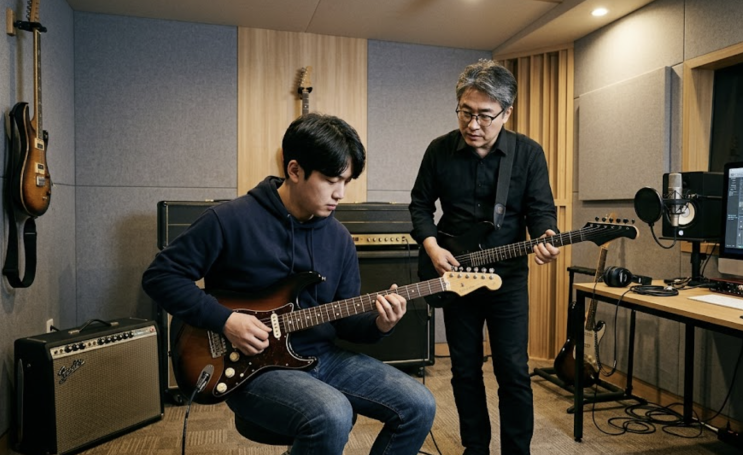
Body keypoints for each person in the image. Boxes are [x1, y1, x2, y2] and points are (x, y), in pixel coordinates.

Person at [143, 113, 436, 455]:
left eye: (346, 181)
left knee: (420, 404)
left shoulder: (340, 238)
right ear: (294, 170)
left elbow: (345, 321)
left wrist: (380, 323)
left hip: (322, 355)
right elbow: (160, 276)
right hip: (250, 366)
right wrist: (226, 320)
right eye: (331, 180)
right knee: (332, 414)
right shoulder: (228, 220)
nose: (341, 193)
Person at [409, 59, 560, 455]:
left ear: (506, 112)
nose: (473, 124)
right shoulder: (440, 150)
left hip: (507, 278)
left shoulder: (528, 153)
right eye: (465, 112)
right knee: (464, 369)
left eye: (484, 116)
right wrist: (432, 246)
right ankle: (474, 448)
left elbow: (541, 209)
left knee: (513, 371)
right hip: (455, 275)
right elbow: (420, 205)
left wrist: (546, 234)